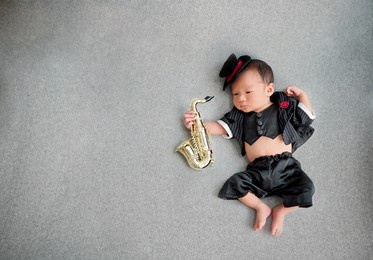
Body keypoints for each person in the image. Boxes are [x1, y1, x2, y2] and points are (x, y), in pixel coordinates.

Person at [183, 54, 316, 236]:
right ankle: (261, 207)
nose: (241, 98)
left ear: (269, 90)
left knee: (306, 188)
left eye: (248, 92)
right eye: (236, 94)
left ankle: (281, 210)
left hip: (287, 168)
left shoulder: (282, 108)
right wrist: (196, 123)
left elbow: (305, 117)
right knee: (235, 184)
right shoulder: (239, 117)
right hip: (257, 171)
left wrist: (303, 96)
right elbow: (218, 127)